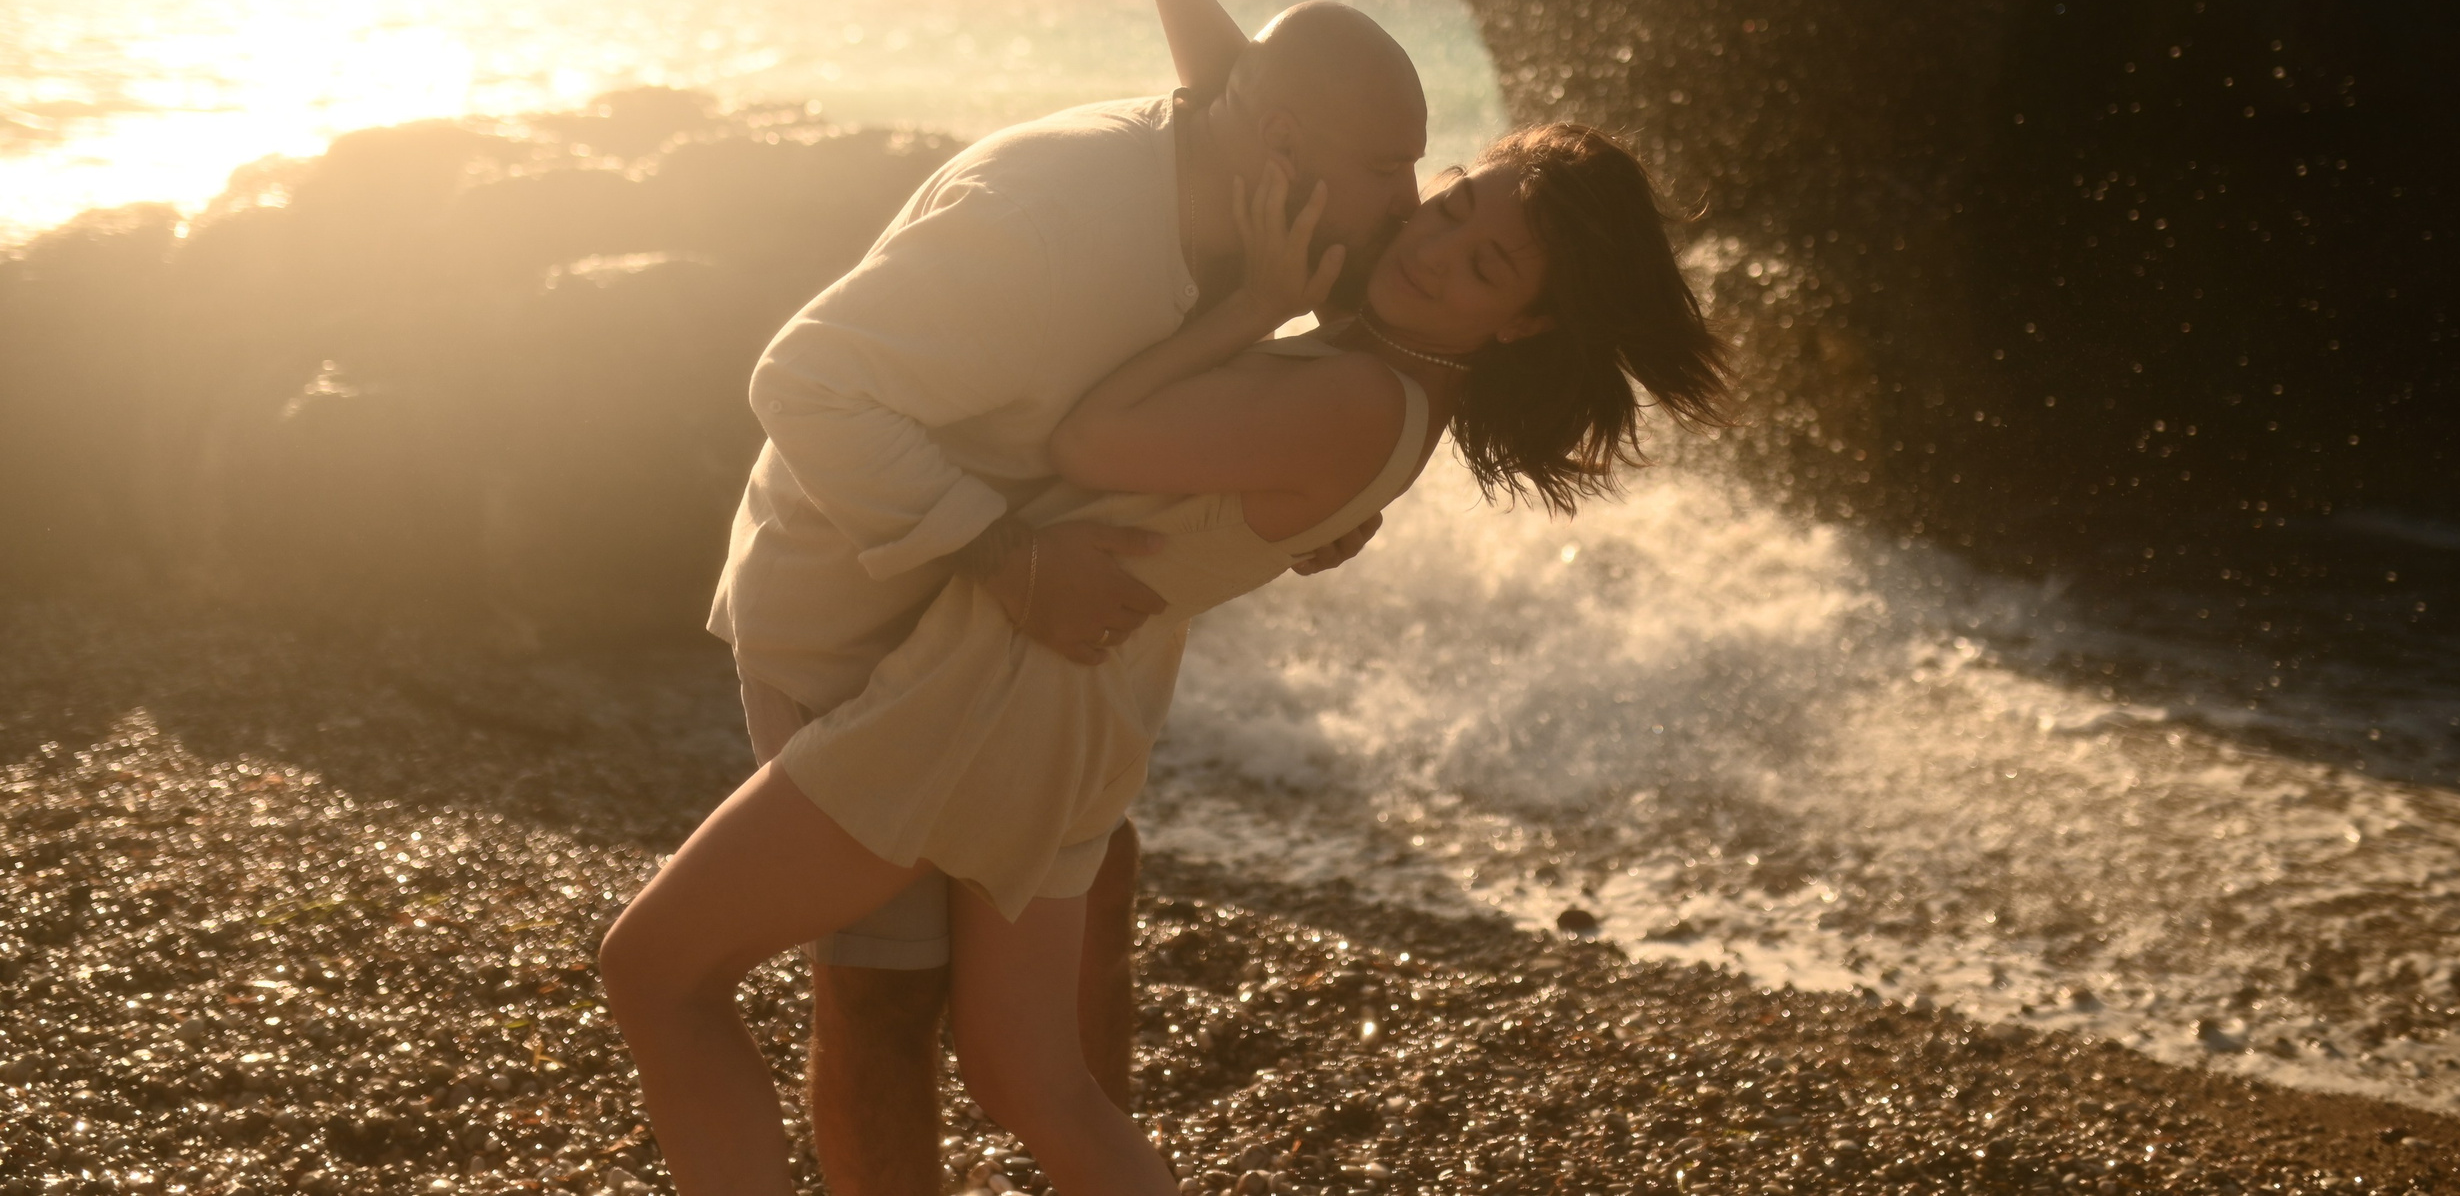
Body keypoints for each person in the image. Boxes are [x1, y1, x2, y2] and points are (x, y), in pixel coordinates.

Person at [599, 119, 1732, 1182]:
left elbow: (1087, 436)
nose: (1436, 249)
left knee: (655, 969)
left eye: (1486, 265)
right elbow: (1267, 91)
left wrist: (1250, 307)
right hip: (1076, 709)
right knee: (1032, 1079)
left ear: (1523, 323)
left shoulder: (1352, 389)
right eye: (1453, 205)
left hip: (979, 703)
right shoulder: (1389, 376)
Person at [666, 0, 1429, 1194]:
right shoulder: (1050, 223)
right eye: (1390, 164)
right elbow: (803, 378)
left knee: (1088, 926)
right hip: (860, 593)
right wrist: (1007, 552)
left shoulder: (1268, 192)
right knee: (891, 986)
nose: (1411, 199)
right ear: (1290, 144)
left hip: (1029, 623)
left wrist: (1308, 496)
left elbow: (1237, 73)